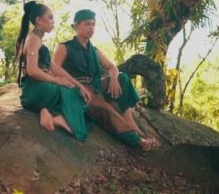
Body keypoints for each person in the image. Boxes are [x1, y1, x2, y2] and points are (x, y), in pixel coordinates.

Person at [53, 9, 160, 150]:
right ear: (77, 26)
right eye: (87, 24)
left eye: (93, 24)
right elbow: (53, 69)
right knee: (106, 109)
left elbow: (112, 67)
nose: (91, 28)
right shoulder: (65, 47)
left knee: (122, 77)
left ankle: (128, 118)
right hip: (79, 91)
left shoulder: (94, 50)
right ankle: (136, 140)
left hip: (96, 87)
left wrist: (114, 78)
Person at [15, 1, 92, 141]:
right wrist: (56, 80)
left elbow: (55, 68)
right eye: (50, 18)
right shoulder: (33, 39)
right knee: (75, 97)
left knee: (74, 90)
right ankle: (55, 116)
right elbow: (32, 71)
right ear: (39, 20)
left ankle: (47, 111)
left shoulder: (36, 39)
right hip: (35, 90)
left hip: (37, 90)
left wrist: (79, 85)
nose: (53, 22)